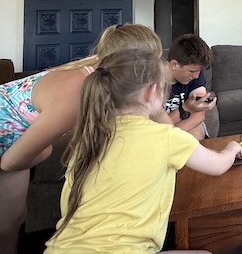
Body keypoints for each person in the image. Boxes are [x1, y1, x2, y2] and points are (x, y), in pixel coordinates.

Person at [44, 49, 242, 253]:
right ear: (151, 91)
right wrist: (232, 147)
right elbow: (218, 165)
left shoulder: (87, 139)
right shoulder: (165, 136)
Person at [0, 23, 166, 254]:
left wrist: (175, 138)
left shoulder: (102, 66)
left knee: (13, 219)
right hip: (7, 140)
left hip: (13, 136)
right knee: (7, 226)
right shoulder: (76, 97)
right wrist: (44, 151)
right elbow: (10, 162)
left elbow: (160, 117)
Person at [165, 33, 214, 140]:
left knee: (194, 134)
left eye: (199, 71)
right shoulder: (156, 81)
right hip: (160, 129)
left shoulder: (196, 75)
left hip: (177, 128)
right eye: (192, 71)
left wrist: (169, 136)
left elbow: (198, 116)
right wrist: (185, 109)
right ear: (174, 65)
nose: (196, 76)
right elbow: (156, 125)